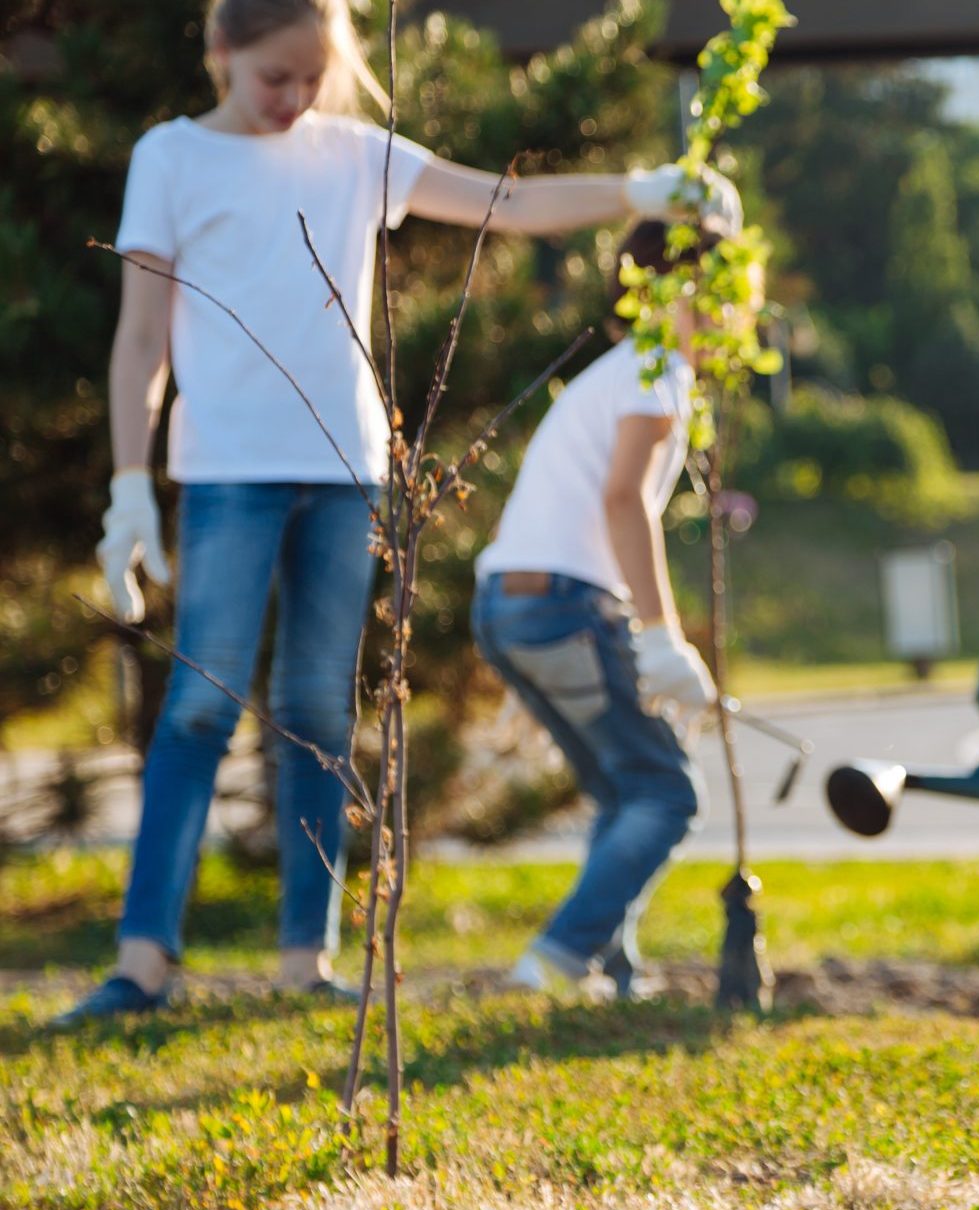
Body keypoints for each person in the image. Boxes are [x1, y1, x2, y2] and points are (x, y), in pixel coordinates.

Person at [64, 0, 736, 1026]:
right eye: (272, 79)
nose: (293, 100)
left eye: (310, 78)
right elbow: (141, 337)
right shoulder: (170, 158)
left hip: (345, 470)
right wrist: (127, 484)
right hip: (228, 474)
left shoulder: (354, 152)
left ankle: (307, 961)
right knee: (199, 709)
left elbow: (503, 204)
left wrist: (637, 191)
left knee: (318, 716)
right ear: (220, 55)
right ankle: (143, 962)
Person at [472, 221, 740, 1000]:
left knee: (627, 790)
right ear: (675, 297)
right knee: (667, 794)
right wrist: (660, 641)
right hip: (562, 604)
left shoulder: (619, 371)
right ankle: (555, 963)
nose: (739, 323)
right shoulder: (656, 377)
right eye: (729, 301)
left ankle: (612, 970)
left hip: (508, 604)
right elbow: (624, 500)